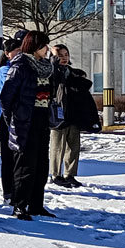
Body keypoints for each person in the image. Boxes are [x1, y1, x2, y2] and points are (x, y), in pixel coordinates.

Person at [0, 30, 62, 220]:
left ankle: (36, 204)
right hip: (25, 121)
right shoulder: (21, 66)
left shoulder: (46, 66)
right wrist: (12, 118)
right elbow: (6, 97)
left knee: (41, 165)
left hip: (43, 118)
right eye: (43, 45)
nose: (46, 49)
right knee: (25, 165)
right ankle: (19, 205)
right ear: (34, 47)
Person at [50, 45, 86, 189]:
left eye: (66, 54)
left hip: (72, 113)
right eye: (59, 55)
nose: (64, 58)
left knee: (73, 145)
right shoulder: (51, 72)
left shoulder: (73, 73)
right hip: (57, 113)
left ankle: (70, 174)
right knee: (58, 145)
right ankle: (55, 174)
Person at [0, 34, 23, 204]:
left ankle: (17, 190)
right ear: (7, 53)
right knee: (7, 157)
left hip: (18, 119)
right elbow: (10, 91)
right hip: (5, 120)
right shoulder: (4, 69)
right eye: (15, 51)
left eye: (21, 50)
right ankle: (8, 192)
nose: (19, 54)